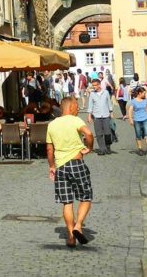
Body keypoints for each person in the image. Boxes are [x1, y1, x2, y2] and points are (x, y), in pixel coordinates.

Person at [46, 98, 95, 248]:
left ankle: (70, 237)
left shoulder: (52, 124)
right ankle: (78, 226)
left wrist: (52, 166)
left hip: (60, 166)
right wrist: (90, 147)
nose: (78, 109)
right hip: (76, 163)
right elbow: (88, 133)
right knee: (86, 197)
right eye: (76, 106)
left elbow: (49, 149)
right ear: (70, 107)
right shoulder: (75, 120)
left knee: (67, 202)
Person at [86, 77, 114, 155]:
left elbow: (109, 103)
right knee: (99, 134)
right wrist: (89, 115)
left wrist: (111, 112)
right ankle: (102, 149)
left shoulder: (106, 93)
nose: (94, 87)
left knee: (107, 133)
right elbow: (90, 105)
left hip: (106, 115)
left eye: (95, 85)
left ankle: (108, 146)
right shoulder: (92, 94)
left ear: (99, 85)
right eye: (93, 85)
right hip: (97, 116)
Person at [126, 87, 147, 156]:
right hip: (137, 120)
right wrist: (130, 120)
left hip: (145, 119)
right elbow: (130, 111)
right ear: (139, 93)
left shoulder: (145, 100)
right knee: (138, 135)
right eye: (144, 93)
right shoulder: (133, 101)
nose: (145, 94)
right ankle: (140, 149)